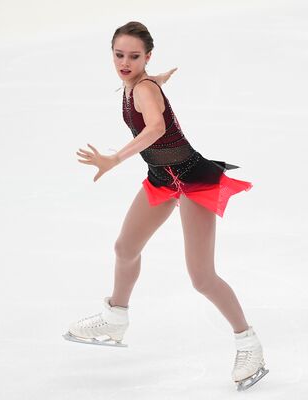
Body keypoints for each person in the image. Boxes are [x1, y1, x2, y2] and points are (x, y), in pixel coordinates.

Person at [62, 21, 268, 391]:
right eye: (119, 55)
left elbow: (155, 128)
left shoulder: (142, 89)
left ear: (148, 56)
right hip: (161, 178)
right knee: (125, 248)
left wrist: (114, 159)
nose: (124, 62)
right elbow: (147, 91)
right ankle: (115, 317)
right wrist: (155, 79)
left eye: (134, 56)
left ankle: (248, 343)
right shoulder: (139, 84)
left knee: (202, 277)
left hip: (191, 178)